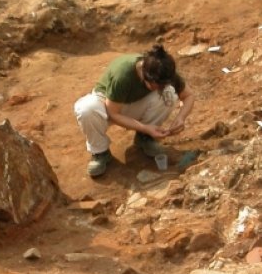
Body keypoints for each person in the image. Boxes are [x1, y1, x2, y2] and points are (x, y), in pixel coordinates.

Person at [74, 43, 195, 177]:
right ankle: (100, 153)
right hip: (107, 104)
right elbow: (112, 113)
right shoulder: (123, 75)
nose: (159, 88)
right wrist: (145, 127)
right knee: (86, 109)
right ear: (144, 75)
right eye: (155, 86)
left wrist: (181, 117)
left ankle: (145, 139)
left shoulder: (163, 70)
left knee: (169, 94)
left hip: (133, 104)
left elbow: (188, 95)